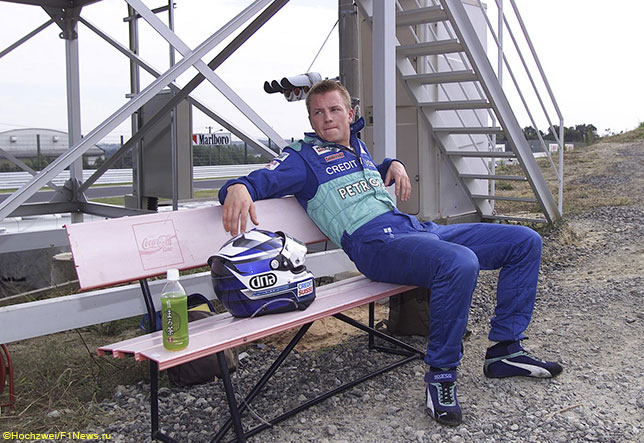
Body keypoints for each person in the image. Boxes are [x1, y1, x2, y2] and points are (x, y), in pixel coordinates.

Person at [218, 80, 562, 427]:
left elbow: (367, 174)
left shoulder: (356, 147)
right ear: (311, 120)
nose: (327, 118)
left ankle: (505, 351)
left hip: (414, 230)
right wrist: (238, 187)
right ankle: (441, 375)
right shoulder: (302, 159)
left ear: (350, 113)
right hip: (373, 245)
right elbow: (259, 180)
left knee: (524, 241)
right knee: (459, 262)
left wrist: (391, 164)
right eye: (318, 113)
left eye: (334, 109)